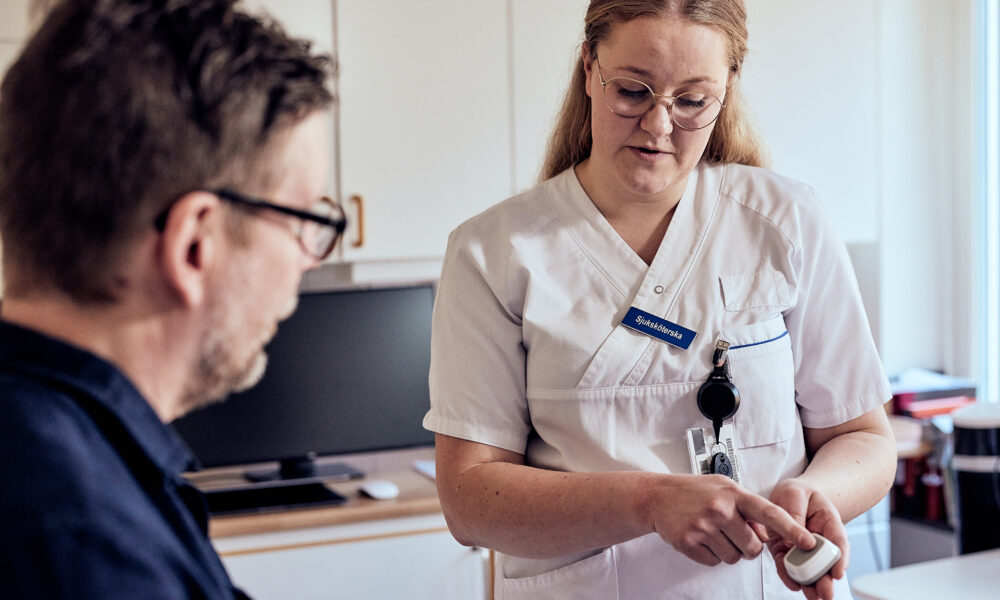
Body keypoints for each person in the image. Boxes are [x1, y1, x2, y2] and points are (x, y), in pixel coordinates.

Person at [423, 1, 896, 598]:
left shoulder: (784, 220)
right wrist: (647, 502)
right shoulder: (494, 252)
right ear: (590, 69)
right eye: (633, 92)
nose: (659, 125)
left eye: (692, 101)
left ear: (727, 89)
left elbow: (865, 438)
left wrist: (816, 493)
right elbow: (469, 501)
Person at [0, 0, 344, 597]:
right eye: (305, 221)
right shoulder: (85, 544)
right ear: (195, 243)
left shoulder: (58, 458)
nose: (309, 260)